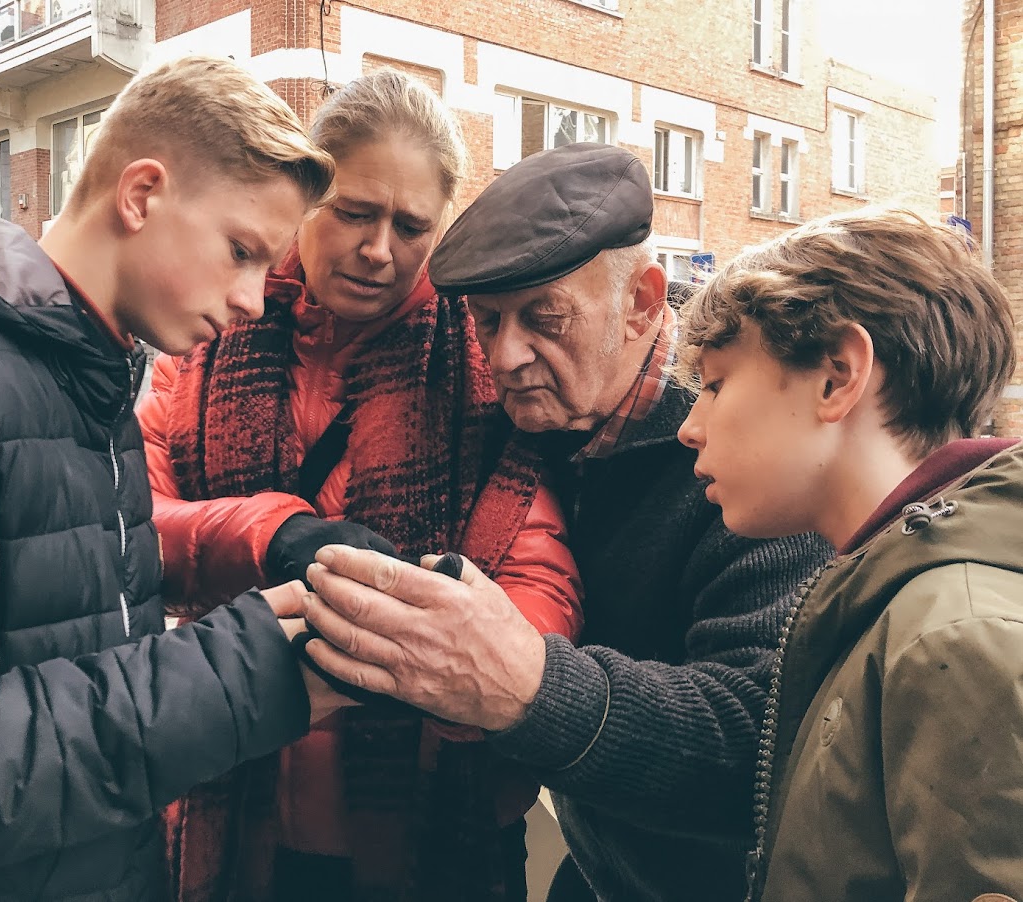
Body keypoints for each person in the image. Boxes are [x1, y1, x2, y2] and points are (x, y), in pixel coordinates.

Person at [0, 55, 348, 902]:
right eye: (240, 251)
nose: (255, 300)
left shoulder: (91, 372)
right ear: (141, 194)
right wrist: (243, 672)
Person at [292, 142, 834, 902]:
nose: (505, 357)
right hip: (595, 869)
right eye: (485, 323)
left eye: (545, 319)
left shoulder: (747, 453)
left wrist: (527, 686)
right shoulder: (517, 426)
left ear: (645, 302)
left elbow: (758, 738)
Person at [136, 70, 582, 902]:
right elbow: (134, 527)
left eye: (410, 226)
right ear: (308, 197)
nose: (379, 249)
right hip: (235, 803)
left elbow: (536, 577)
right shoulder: (203, 330)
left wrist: (434, 661)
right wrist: (273, 535)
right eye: (353, 212)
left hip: (434, 833)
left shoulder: (486, 366)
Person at [673, 208, 1021, 901]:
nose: (690, 426)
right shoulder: (887, 597)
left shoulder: (954, 634)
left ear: (837, 376)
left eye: (715, 384)